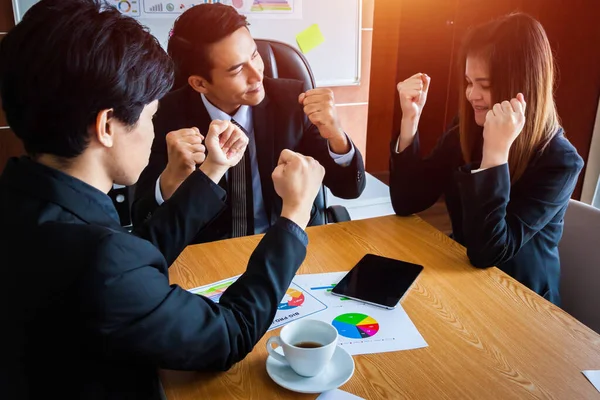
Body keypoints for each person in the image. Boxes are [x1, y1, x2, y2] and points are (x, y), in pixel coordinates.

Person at [0, 0, 326, 398]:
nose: (154, 131)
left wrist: (211, 172)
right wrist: (293, 217)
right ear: (106, 126)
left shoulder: (27, 204)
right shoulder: (98, 261)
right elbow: (230, 334)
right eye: (150, 117)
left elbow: (132, 255)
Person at [389, 13, 584, 304]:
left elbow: (489, 252)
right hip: (463, 280)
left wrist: (495, 154)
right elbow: (406, 201)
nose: (472, 95)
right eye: (469, 82)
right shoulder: (467, 129)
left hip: (523, 301)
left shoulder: (560, 162)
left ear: (524, 85)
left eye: (485, 84)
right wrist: (409, 122)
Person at [132, 3, 366, 243]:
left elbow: (349, 189)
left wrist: (336, 135)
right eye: (236, 70)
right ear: (200, 84)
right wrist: (170, 181)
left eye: (254, 55)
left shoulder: (291, 101)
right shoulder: (167, 116)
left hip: (285, 242)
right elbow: (143, 220)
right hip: (208, 255)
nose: (257, 75)